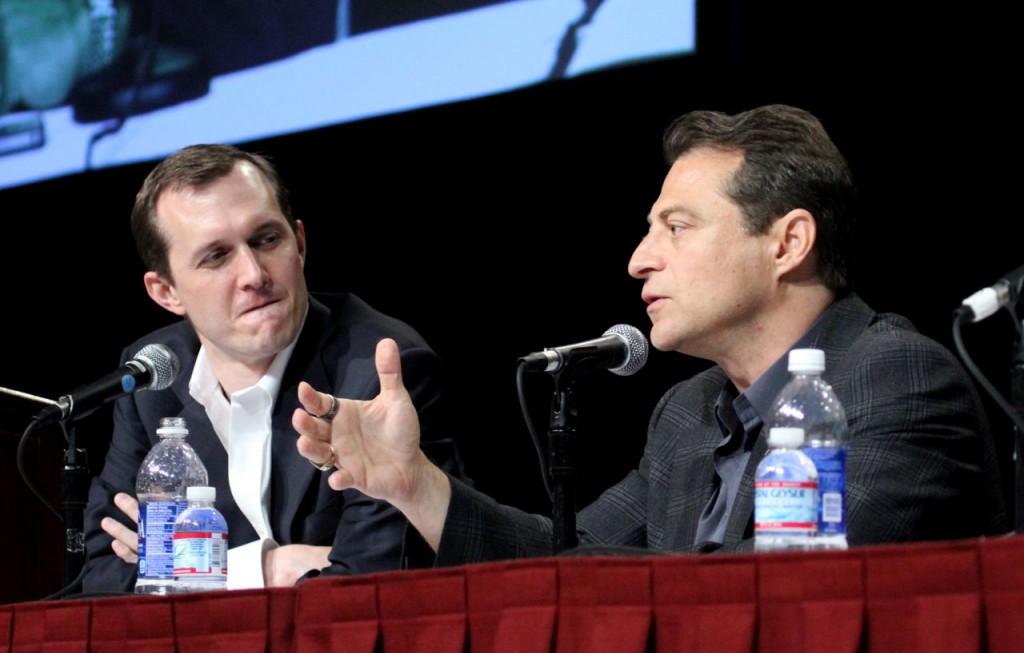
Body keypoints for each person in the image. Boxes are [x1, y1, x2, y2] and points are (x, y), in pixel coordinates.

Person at [291, 104, 1008, 564]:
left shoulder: (899, 380)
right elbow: (566, 558)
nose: (638, 259)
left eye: (676, 227)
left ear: (788, 243)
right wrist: (415, 485)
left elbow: (794, 589)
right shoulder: (689, 413)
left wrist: (596, 575)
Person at [82, 143, 463, 592]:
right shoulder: (153, 377)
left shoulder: (383, 374)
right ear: (167, 292)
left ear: (299, 243)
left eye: (266, 240)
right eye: (217, 257)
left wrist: (182, 569)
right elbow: (105, 578)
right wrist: (267, 568)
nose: (253, 274)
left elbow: (375, 583)